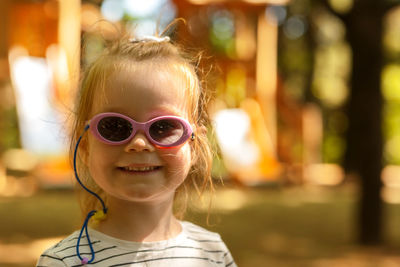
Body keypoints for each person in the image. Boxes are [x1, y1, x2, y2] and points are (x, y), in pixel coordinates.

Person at [36, 25, 237, 267]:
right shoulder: (63, 262)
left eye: (163, 127)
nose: (139, 144)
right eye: (115, 126)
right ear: (86, 144)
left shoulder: (212, 253)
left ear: (193, 145)